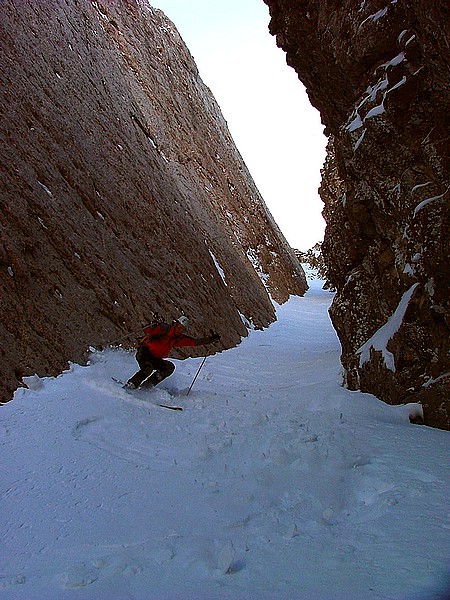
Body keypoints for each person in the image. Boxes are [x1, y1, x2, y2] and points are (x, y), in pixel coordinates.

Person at [125, 315, 220, 389]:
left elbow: (194, 342)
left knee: (169, 367)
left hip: (155, 358)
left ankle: (147, 386)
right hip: (145, 352)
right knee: (148, 368)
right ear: (175, 324)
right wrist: (153, 326)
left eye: (182, 330)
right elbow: (147, 330)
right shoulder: (164, 328)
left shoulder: (177, 339)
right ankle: (132, 384)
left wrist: (210, 339)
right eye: (179, 328)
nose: (180, 331)